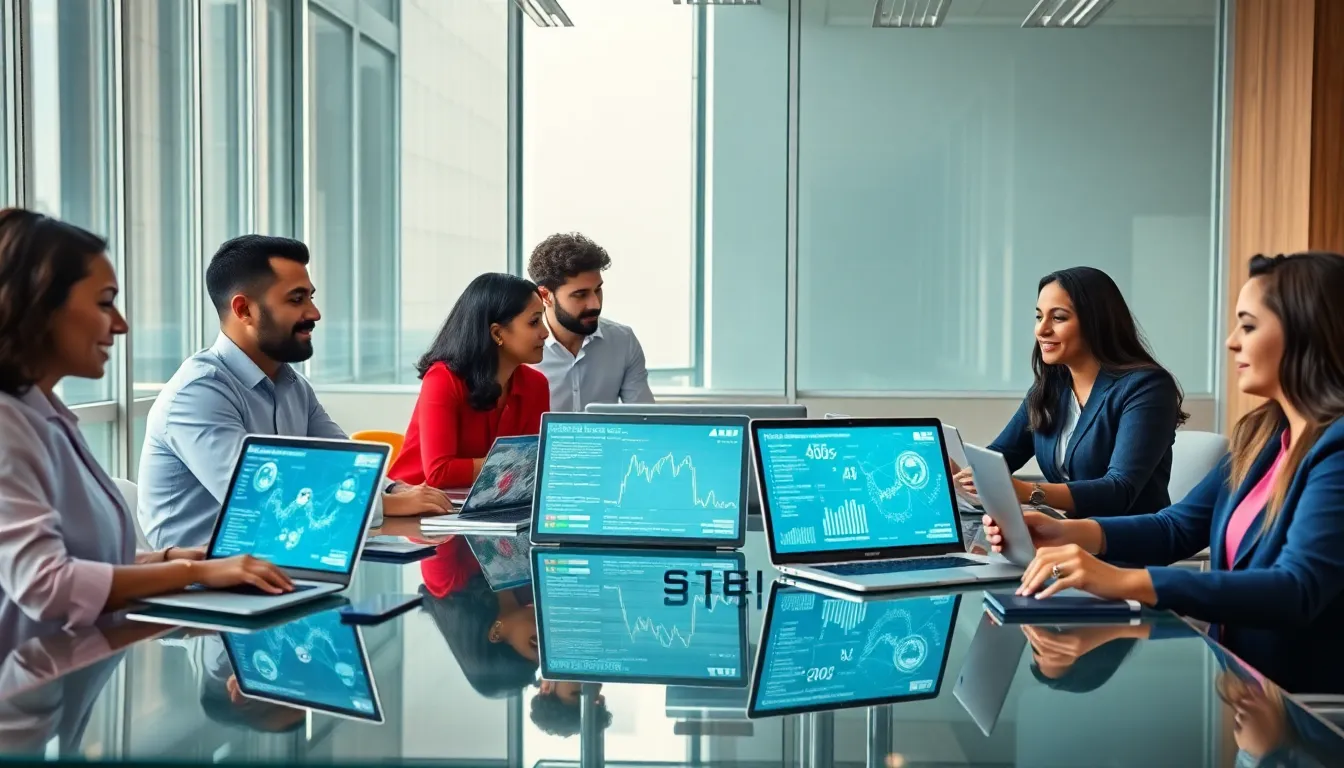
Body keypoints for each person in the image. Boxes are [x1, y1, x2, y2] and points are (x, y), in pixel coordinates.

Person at [981, 252, 1344, 692]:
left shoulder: (1335, 450)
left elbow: (1297, 588)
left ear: (1305, 334)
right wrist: (1069, 533)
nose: (1232, 342)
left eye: (1248, 326)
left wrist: (1122, 579)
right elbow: (1178, 527)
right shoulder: (1263, 436)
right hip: (1245, 687)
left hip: (1304, 706)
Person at [0, 209, 294, 632]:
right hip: (27, 683)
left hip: (77, 671)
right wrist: (194, 575)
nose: (120, 325)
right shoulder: (10, 426)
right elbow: (46, 585)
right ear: (39, 306)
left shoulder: (47, 415)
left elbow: (84, 564)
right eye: (104, 303)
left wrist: (172, 560)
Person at [138, 235, 449, 549]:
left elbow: (347, 464)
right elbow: (260, 499)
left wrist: (394, 490)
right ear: (244, 309)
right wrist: (386, 504)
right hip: (201, 586)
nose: (314, 313)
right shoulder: (199, 392)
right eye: (296, 299)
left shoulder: (292, 385)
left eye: (311, 297)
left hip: (286, 558)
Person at [956, 266, 1185, 517]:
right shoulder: (1051, 386)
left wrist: (1026, 491)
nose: (1041, 330)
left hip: (1126, 547)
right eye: (1039, 316)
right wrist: (959, 472)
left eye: (1058, 318)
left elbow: (1120, 490)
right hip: (1067, 538)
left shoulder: (1147, 387)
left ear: (1096, 322)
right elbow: (1001, 457)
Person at [387, 273, 550, 489]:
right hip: (413, 504)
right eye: (534, 322)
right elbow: (440, 472)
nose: (545, 332)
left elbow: (534, 465)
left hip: (486, 503)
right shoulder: (442, 379)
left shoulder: (536, 384)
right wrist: (514, 464)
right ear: (497, 333)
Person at [526, 233, 654, 411]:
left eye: (598, 290)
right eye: (580, 294)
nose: (595, 303)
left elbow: (644, 419)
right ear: (546, 296)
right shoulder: (522, 348)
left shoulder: (623, 341)